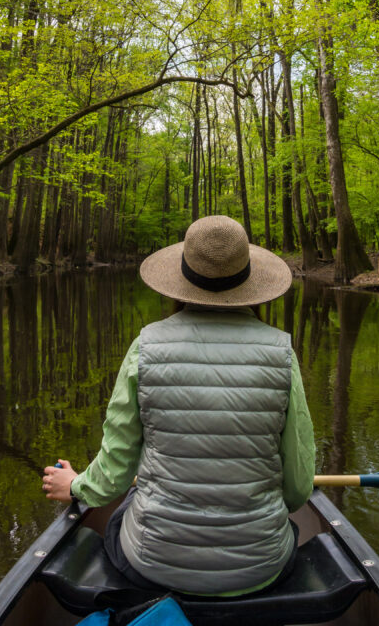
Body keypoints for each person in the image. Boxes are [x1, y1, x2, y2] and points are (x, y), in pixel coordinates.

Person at [42, 215, 315, 596]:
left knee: (122, 515)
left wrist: (75, 485)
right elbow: (299, 487)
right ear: (249, 282)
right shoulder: (282, 353)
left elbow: (115, 476)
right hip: (260, 565)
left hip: (154, 563)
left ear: (181, 283)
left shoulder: (146, 347)